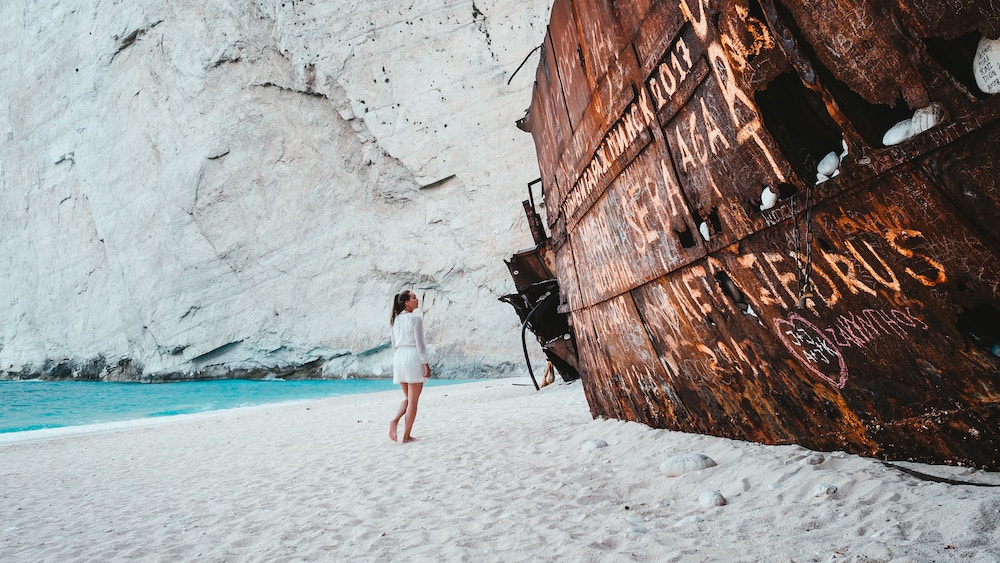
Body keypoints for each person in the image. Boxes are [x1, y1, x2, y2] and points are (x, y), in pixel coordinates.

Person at [388, 290, 431, 443]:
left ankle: (395, 420)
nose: (417, 300)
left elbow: (394, 345)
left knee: (407, 398)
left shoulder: (395, 320)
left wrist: (399, 359)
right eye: (414, 298)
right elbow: (420, 345)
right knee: (413, 401)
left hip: (399, 357)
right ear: (406, 302)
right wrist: (425, 364)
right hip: (412, 356)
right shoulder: (415, 318)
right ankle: (406, 436)